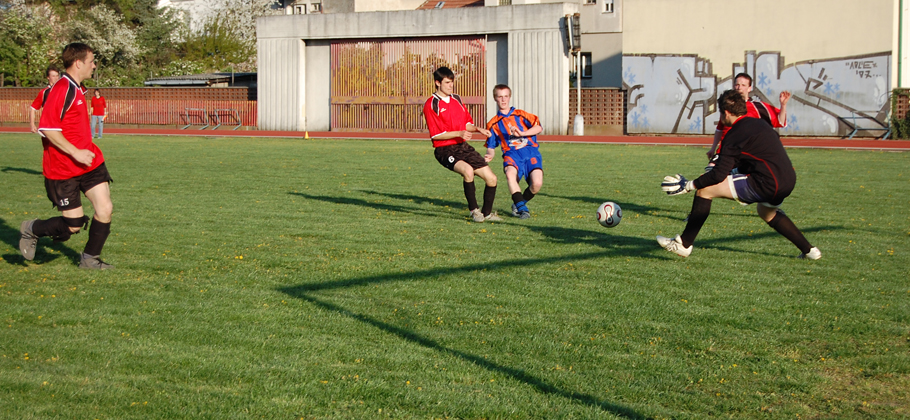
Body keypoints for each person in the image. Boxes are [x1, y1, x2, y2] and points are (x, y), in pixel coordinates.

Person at [657, 89, 820, 260]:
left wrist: (689, 185)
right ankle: (810, 251)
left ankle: (684, 244)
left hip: (767, 182)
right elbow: (760, 155)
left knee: (705, 190)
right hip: (788, 180)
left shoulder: (734, 134)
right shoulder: (760, 123)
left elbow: (718, 175)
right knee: (767, 212)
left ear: (726, 113)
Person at [19, 42, 115, 269]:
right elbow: (47, 128)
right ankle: (32, 228)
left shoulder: (79, 88)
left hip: (90, 163)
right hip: (63, 169)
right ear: (78, 63)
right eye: (91, 61)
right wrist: (75, 152)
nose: (94, 66)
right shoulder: (62, 89)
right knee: (73, 225)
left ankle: (90, 259)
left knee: (105, 209)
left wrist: (83, 153)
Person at [423, 66, 501, 222]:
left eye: (452, 82)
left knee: (492, 178)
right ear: (437, 83)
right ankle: (474, 211)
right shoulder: (431, 104)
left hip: (462, 147)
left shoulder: (457, 99)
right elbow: (436, 135)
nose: (451, 85)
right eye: (447, 82)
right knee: (468, 171)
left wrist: (478, 129)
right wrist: (459, 133)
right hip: (444, 149)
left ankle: (487, 213)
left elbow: (466, 124)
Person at [483, 84, 543, 220]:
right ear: (495, 98)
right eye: (500, 97)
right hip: (511, 155)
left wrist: (522, 133)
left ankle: (518, 203)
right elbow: (491, 146)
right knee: (510, 175)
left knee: (537, 184)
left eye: (506, 96)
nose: (503, 100)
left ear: (509, 97)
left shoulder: (521, 115)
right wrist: (490, 155)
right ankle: (523, 210)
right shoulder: (493, 123)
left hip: (530, 152)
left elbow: (538, 128)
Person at [706, 72, 791, 163]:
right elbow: (719, 129)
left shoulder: (759, 107)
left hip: (747, 154)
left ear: (749, 88)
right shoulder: (728, 105)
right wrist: (713, 148)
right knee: (711, 169)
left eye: (743, 85)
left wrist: (783, 105)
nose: (739, 88)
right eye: (737, 85)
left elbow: (780, 122)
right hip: (725, 151)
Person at [28, 65, 61, 134]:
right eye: (53, 76)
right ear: (48, 77)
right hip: (49, 127)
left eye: (57, 76)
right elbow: (33, 108)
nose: (56, 78)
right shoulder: (45, 92)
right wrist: (32, 125)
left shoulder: (63, 90)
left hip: (61, 126)